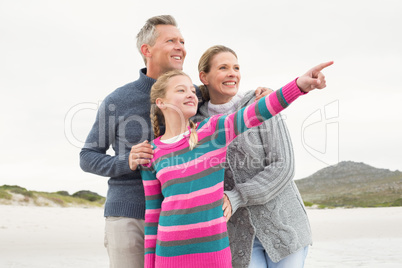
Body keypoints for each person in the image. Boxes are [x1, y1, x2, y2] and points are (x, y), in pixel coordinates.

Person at [141, 62, 332, 268]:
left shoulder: (212, 131)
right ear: (161, 102)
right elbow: (153, 218)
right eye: (181, 90)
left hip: (215, 255)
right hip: (168, 256)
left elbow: (259, 111)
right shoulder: (151, 154)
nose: (190, 94)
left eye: (192, 90)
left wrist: (299, 86)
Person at [79, 15, 195, 268]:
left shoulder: (193, 95)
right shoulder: (119, 99)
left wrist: (256, 94)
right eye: (171, 41)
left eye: (182, 41)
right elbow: (87, 156)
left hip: (180, 217)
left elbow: (227, 106)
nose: (180, 47)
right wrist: (126, 161)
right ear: (147, 50)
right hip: (129, 216)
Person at [195, 45, 313, 268]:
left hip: (284, 225)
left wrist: (236, 196)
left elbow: (283, 166)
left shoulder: (260, 105)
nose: (233, 73)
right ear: (204, 77)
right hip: (236, 237)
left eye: (236, 67)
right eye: (223, 67)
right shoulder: (195, 124)